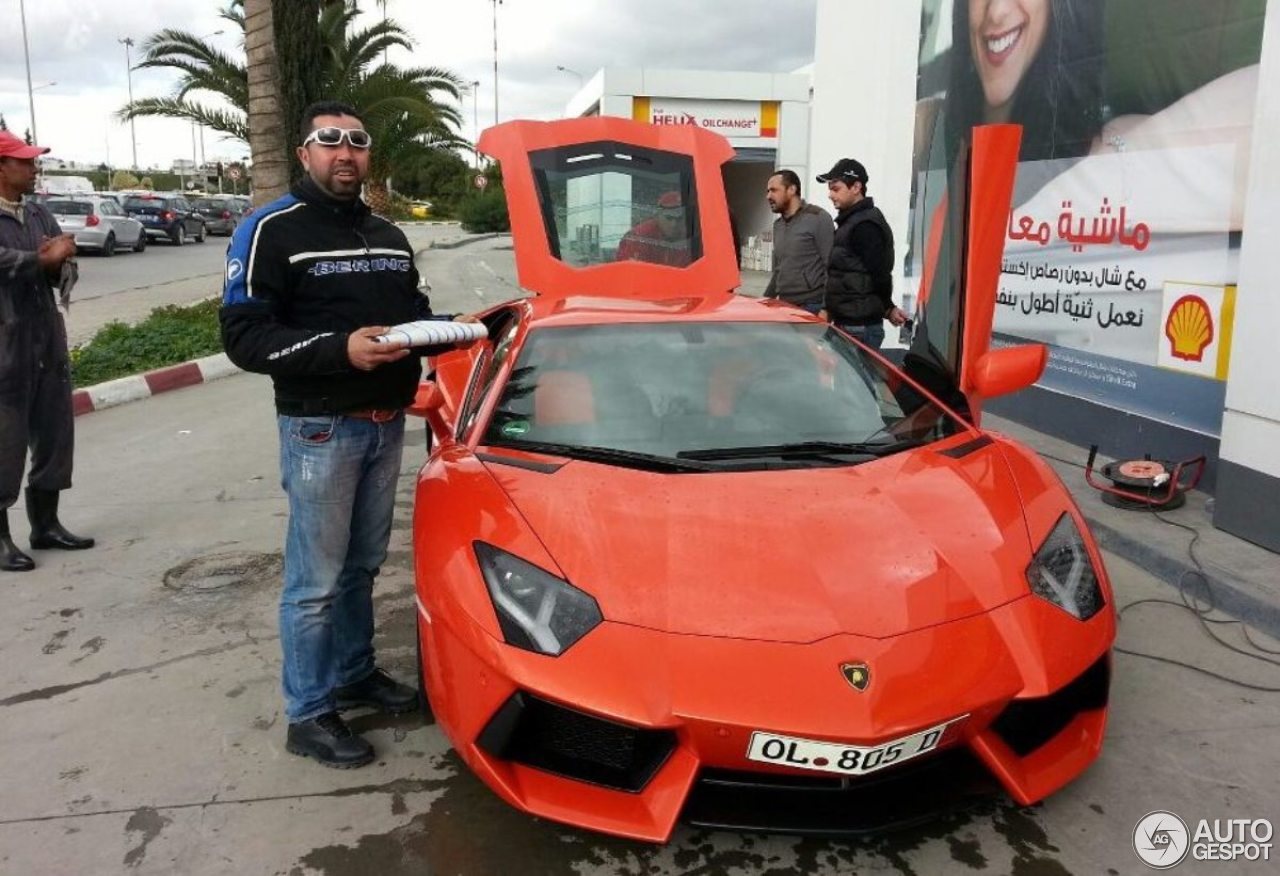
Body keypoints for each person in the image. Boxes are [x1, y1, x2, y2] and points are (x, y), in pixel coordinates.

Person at [220, 101, 470, 768]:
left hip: (386, 425)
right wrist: (340, 350)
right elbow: (243, 337)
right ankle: (308, 711)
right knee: (315, 579)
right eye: (329, 141)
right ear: (305, 152)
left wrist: (461, 327)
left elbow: (410, 312)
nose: (345, 153)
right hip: (320, 430)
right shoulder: (269, 230)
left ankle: (355, 672)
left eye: (357, 142)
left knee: (361, 567)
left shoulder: (388, 235)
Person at [0, 131, 95, 573]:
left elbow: (63, 269)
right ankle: (1, 540)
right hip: (5, 346)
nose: (33, 168)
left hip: (46, 340)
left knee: (55, 433)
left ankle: (46, 524)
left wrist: (61, 263)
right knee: (6, 441)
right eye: (24, 161)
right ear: (2, 167)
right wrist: (39, 260)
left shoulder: (38, 213)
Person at [817, 159, 907, 349]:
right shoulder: (851, 222)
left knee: (853, 379)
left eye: (836, 189)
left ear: (856, 187)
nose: (830, 195)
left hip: (858, 326)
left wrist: (888, 308)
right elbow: (844, 274)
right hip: (851, 323)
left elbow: (879, 274)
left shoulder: (864, 225)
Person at [762, 169, 833, 314]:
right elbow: (779, 270)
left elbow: (831, 267)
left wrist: (826, 308)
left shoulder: (818, 218)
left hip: (812, 306)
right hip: (784, 305)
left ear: (792, 189)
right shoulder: (778, 225)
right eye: (768, 191)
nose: (768, 196)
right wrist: (764, 302)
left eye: (774, 190)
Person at [615, 190, 693, 267]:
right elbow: (632, 273)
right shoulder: (639, 237)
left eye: (679, 219)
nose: (674, 224)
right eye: (669, 218)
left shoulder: (688, 236)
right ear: (658, 216)